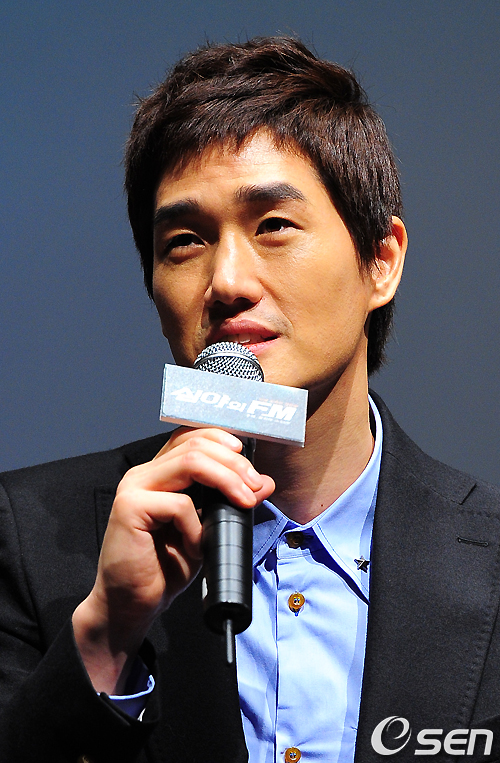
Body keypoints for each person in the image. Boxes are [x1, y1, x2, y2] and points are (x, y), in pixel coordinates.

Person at [1, 36, 499, 763]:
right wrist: (107, 635)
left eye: (274, 226)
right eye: (184, 241)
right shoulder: (29, 539)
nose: (227, 281)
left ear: (381, 261)